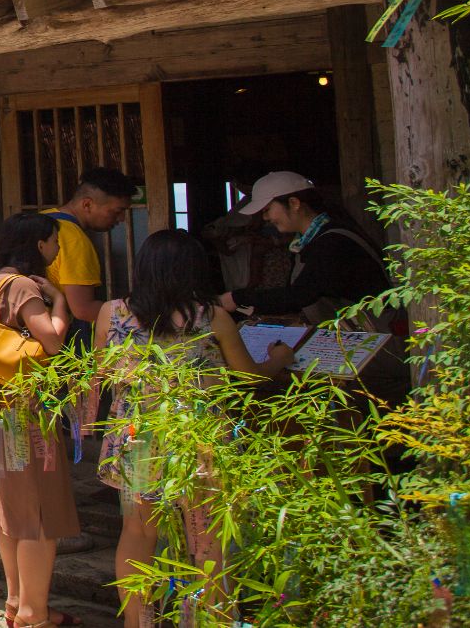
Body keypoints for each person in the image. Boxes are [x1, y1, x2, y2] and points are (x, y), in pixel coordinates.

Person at [98, 229, 295, 628]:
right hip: (198, 436)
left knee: (138, 531)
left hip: (138, 434)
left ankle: (137, 622)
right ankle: (208, 619)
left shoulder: (113, 312)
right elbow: (248, 376)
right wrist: (279, 358)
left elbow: (103, 371)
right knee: (205, 533)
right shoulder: (210, 316)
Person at [218, 171, 408, 404]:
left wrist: (238, 298)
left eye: (267, 209)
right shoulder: (316, 239)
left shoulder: (332, 243)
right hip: (358, 346)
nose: (265, 218)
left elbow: (301, 295)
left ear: (294, 203)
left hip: (375, 347)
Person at [0, 212, 78, 628]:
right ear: (38, 244)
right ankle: (35, 613)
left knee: (12, 510)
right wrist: (61, 302)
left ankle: (17, 603)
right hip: (24, 405)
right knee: (36, 510)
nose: (56, 248)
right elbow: (51, 341)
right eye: (54, 241)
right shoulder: (22, 285)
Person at [44, 167, 138, 340]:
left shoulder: (42, 219)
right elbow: (83, 309)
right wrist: (137, 316)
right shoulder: (74, 239)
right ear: (87, 204)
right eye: (117, 211)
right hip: (55, 336)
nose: (122, 219)